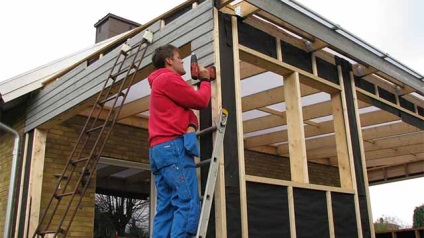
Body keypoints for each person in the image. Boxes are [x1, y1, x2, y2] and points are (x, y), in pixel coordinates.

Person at [147, 44, 212, 238]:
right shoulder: (168, 79)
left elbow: (189, 114)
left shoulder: (160, 84)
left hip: (159, 151)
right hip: (173, 149)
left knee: (166, 209)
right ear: (169, 61)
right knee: (187, 203)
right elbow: (201, 101)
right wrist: (206, 79)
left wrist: (191, 126)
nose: (182, 60)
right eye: (178, 57)